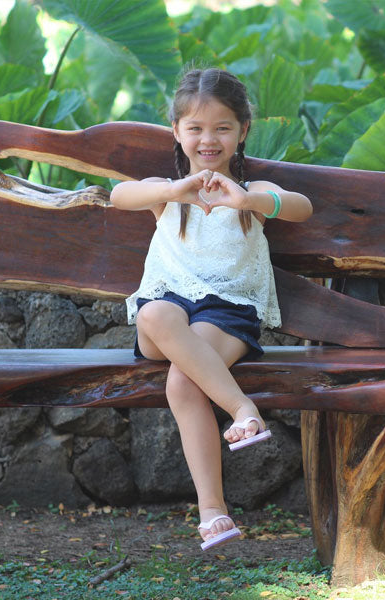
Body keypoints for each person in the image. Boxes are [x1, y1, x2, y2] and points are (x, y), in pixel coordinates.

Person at [110, 68, 312, 551]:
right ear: (177, 132)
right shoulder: (168, 192)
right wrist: (168, 191)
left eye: (222, 127)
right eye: (195, 128)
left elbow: (300, 205)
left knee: (184, 380)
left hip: (227, 317)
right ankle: (242, 408)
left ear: (243, 131)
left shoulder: (249, 195)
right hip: (167, 318)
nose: (208, 139)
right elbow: (119, 196)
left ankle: (213, 513)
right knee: (154, 313)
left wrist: (249, 198)